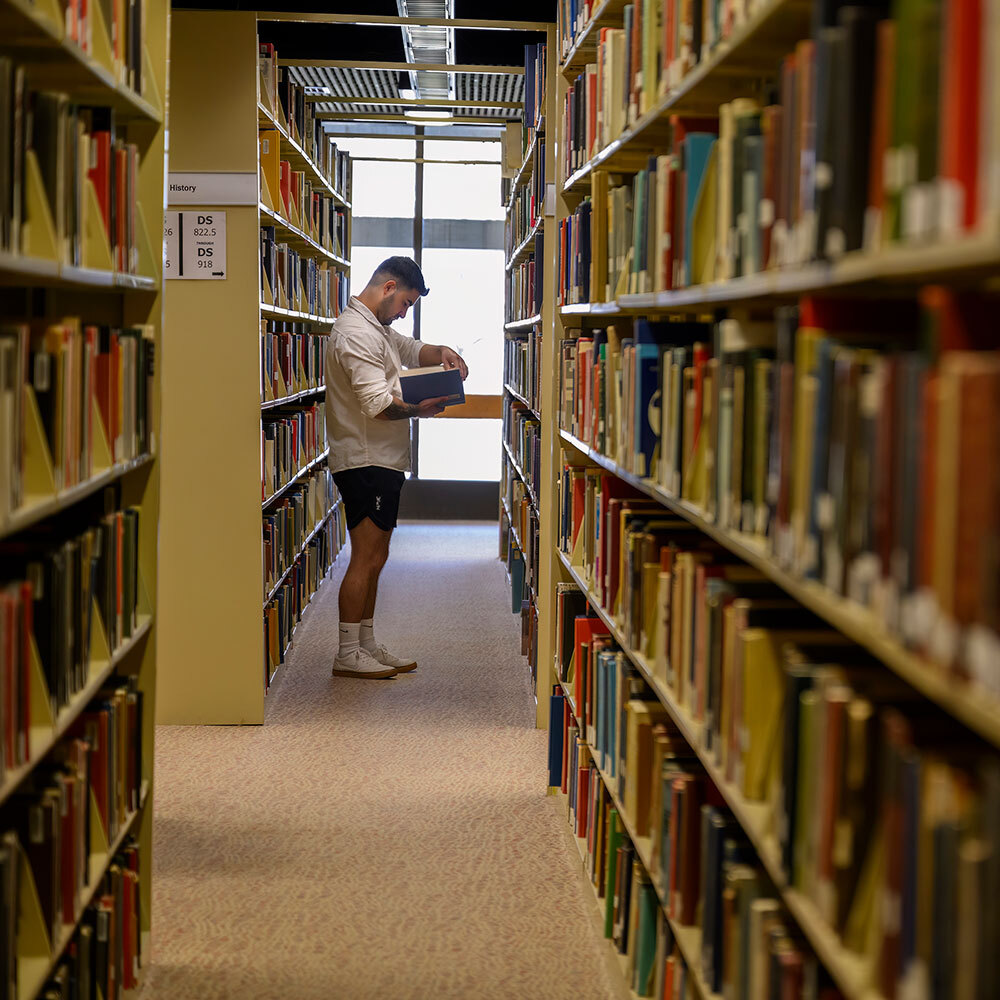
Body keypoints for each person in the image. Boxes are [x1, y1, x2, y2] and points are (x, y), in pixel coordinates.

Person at [325, 256, 468, 678]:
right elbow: (377, 405)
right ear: (388, 287)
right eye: (406, 302)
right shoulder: (354, 334)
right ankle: (347, 652)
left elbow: (409, 348)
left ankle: (365, 643)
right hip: (364, 459)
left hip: (382, 459)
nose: (405, 312)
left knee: (378, 555)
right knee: (365, 556)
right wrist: (419, 410)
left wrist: (441, 351)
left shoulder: (378, 328)